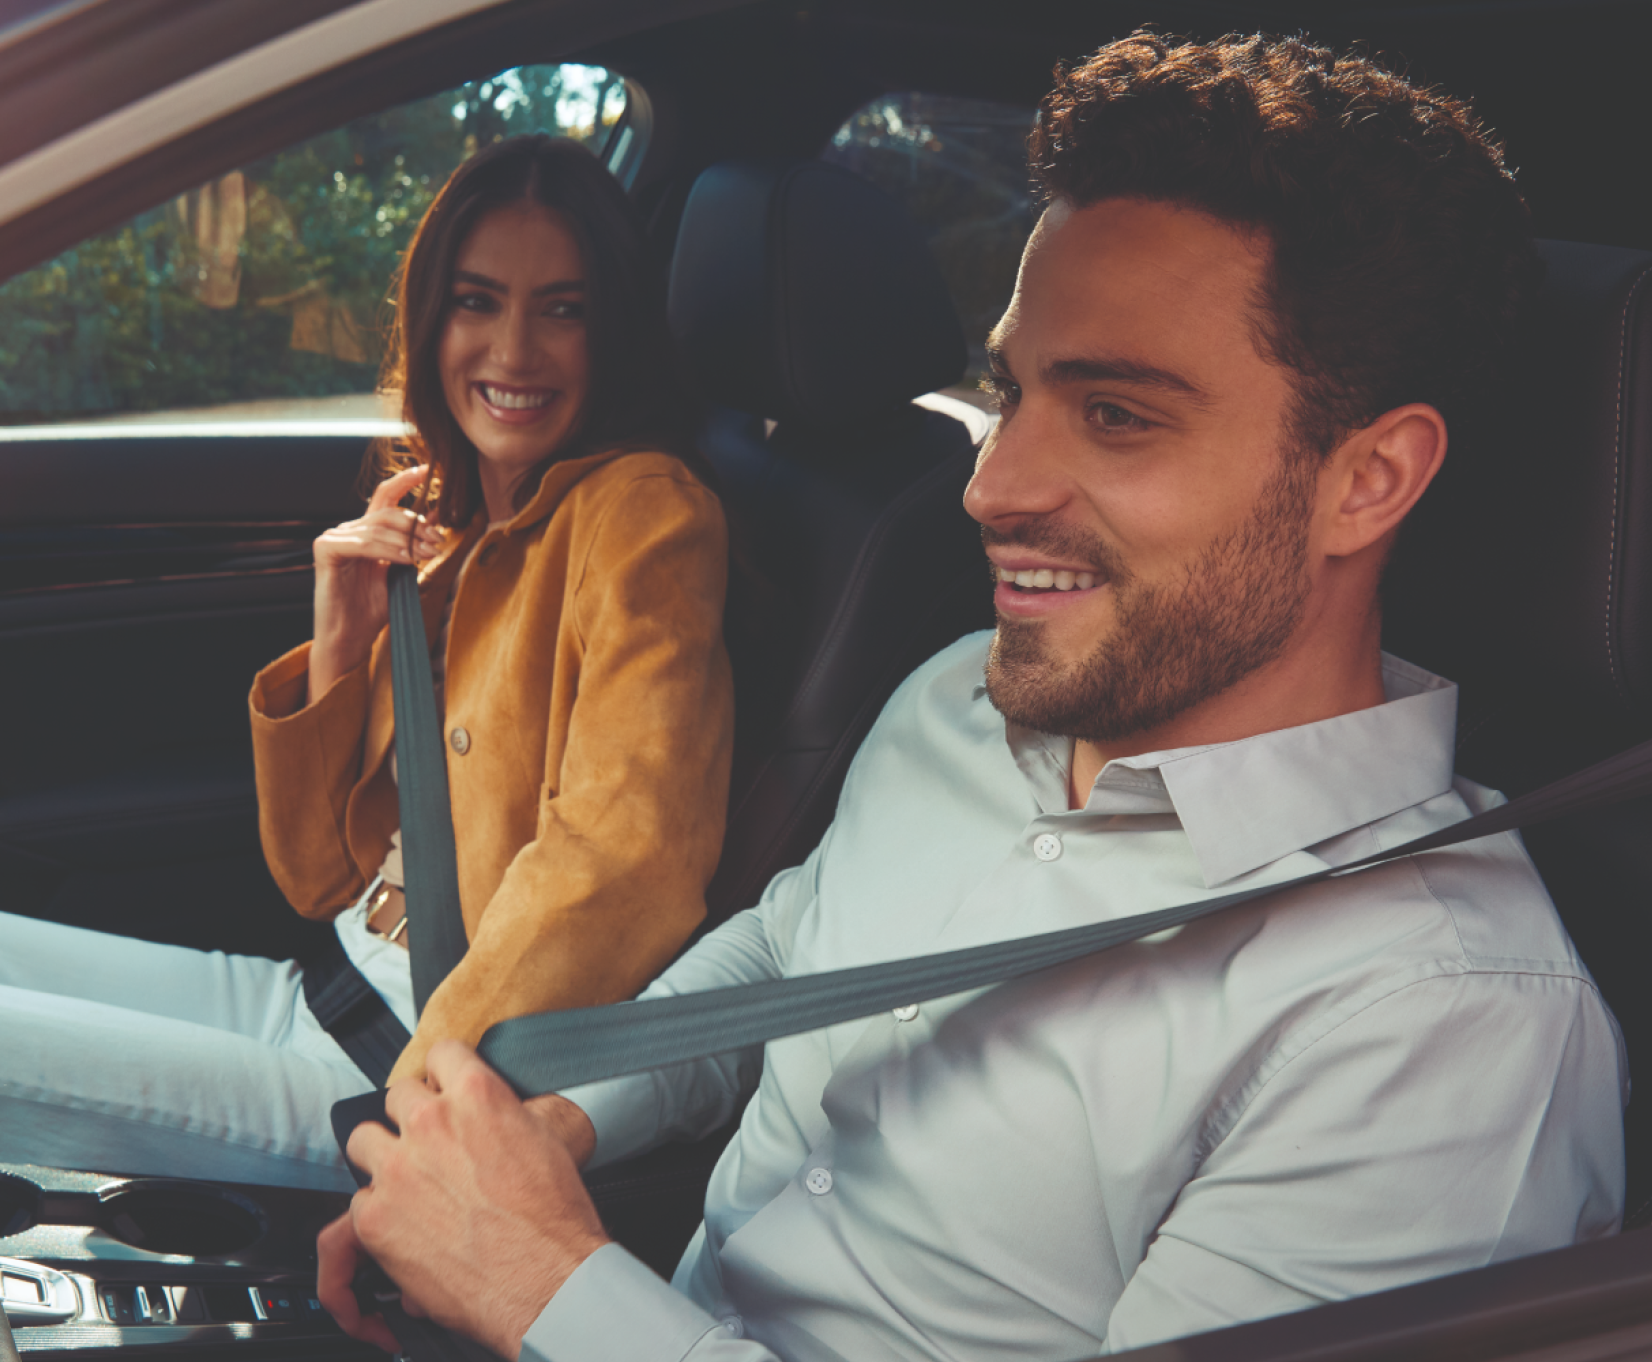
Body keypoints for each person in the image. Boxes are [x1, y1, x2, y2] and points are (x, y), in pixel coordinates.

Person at [313, 33, 1628, 1359]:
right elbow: (783, 952)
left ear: (1367, 480)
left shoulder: (1438, 1026)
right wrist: (549, 1122)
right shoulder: (957, 695)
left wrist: (542, 1283)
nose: (990, 487)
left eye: (1116, 415)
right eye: (1010, 388)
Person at [0, 135, 734, 1191]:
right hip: (316, 990)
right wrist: (343, 635)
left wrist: (421, 1111)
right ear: (433, 319)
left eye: (561, 310)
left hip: (412, 1073)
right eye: (478, 302)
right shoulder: (456, 524)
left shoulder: (643, 516)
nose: (512, 350)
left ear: (612, 331)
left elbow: (624, 856)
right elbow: (317, 877)